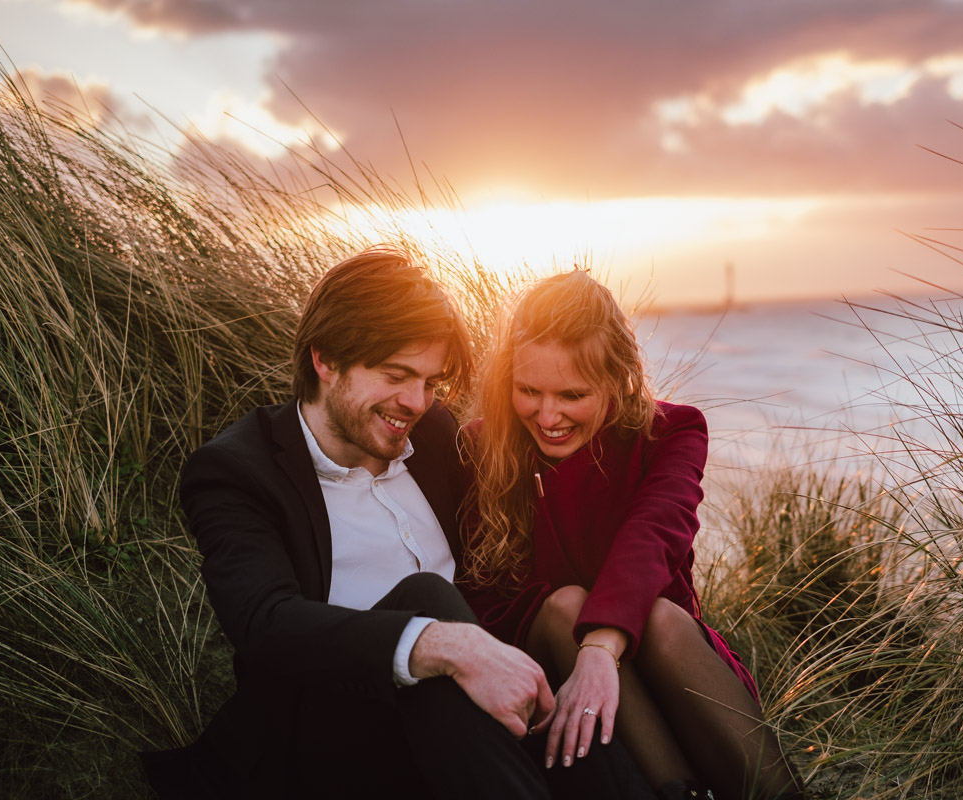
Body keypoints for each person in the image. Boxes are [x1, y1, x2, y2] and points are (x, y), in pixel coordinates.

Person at [140, 248, 651, 799]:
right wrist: (437, 644)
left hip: (464, 733)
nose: (416, 402)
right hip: (327, 740)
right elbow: (265, 625)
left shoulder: (433, 436)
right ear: (326, 359)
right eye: (397, 375)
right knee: (429, 602)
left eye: (432, 382)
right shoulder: (238, 471)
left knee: (554, 705)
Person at [459, 270, 805, 800]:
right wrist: (582, 642)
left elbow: (655, 533)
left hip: (669, 666)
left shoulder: (670, 431)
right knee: (564, 606)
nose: (547, 415)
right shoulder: (480, 446)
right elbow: (481, 595)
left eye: (572, 394)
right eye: (528, 390)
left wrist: (602, 647)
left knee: (663, 616)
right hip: (549, 673)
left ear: (616, 378)